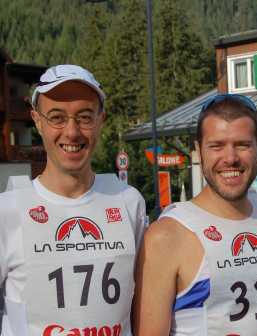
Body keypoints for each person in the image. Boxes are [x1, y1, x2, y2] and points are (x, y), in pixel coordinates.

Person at [0, 65, 147, 335]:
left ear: (101, 119)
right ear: (37, 120)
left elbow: (144, 304)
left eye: (84, 117)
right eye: (57, 117)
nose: (72, 132)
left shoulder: (128, 202)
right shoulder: (7, 210)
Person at [133, 94, 257, 335]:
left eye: (242, 145)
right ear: (199, 150)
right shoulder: (167, 235)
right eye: (216, 146)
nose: (230, 158)